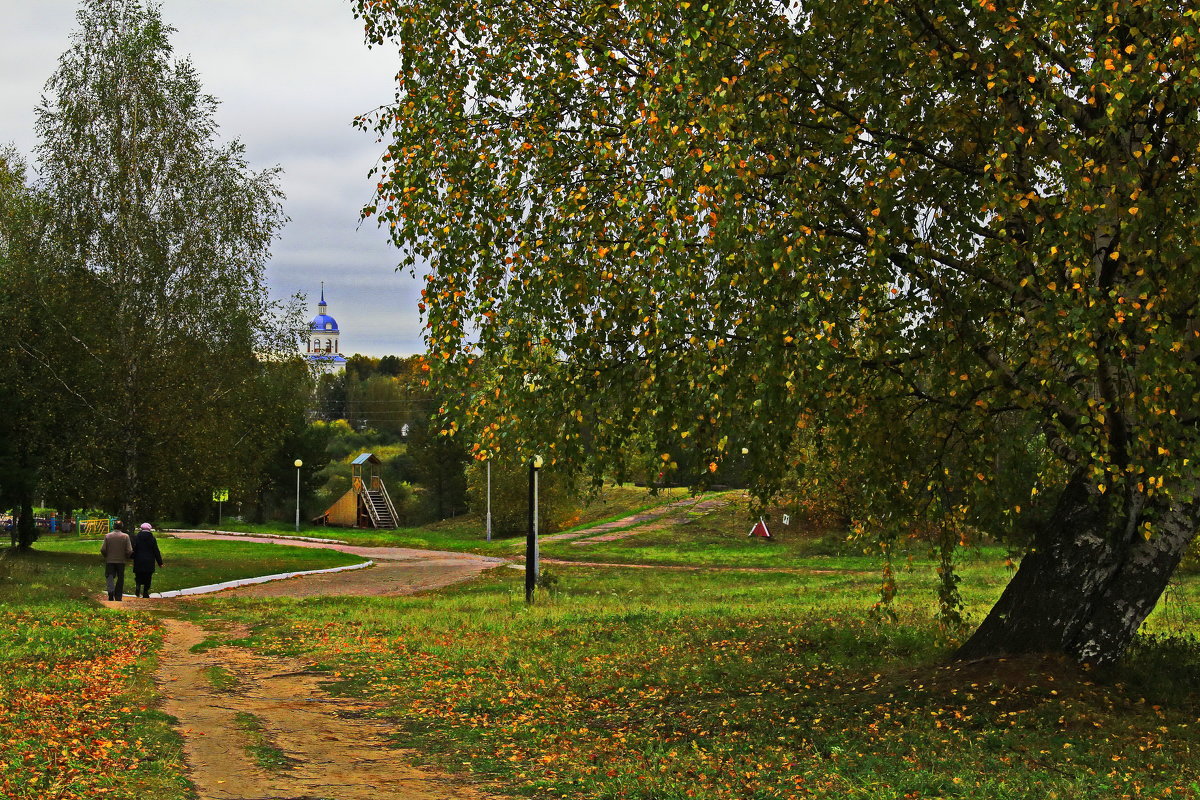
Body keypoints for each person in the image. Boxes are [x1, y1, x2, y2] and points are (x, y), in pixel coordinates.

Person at [100, 521, 133, 601]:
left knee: (110, 576)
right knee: (120, 578)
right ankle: (118, 596)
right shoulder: (125, 536)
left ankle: (111, 592)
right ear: (121, 527)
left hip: (110, 560)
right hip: (121, 561)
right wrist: (126, 557)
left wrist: (106, 556)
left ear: (113, 526)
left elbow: (103, 549)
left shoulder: (107, 536)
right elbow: (129, 550)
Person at [130, 522, 164, 598]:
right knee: (148, 577)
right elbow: (156, 551)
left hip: (138, 560)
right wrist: (160, 563)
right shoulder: (152, 538)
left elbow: (133, 549)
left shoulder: (136, 537)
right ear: (149, 529)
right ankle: (145, 592)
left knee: (138, 575)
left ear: (141, 529)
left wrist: (132, 557)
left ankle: (138, 587)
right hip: (149, 561)